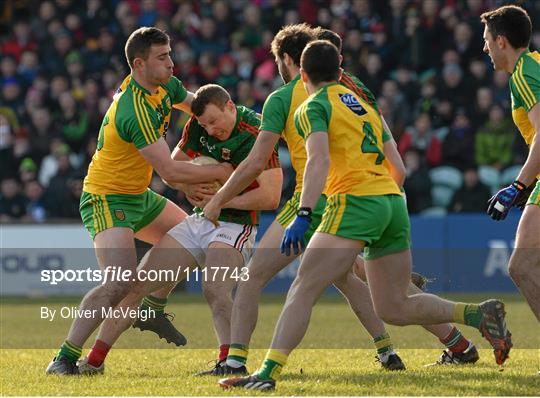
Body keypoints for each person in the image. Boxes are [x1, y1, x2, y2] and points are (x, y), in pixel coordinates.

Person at [218, 40, 511, 391]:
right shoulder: (362, 104)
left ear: (304, 74)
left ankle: (266, 375)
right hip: (391, 201)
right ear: (340, 69)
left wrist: (304, 213)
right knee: (394, 305)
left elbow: (318, 161)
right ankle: (477, 314)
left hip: (354, 202)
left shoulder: (311, 106)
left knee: (304, 286)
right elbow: (397, 164)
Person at [46, 27, 232, 375]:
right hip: (105, 197)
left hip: (138, 195)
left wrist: (233, 123)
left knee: (196, 240)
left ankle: (154, 307)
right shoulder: (133, 109)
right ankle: (65, 358)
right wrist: (222, 172)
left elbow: (199, 107)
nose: (172, 64)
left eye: (170, 54)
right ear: (139, 64)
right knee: (119, 282)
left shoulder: (163, 86)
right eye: (163, 58)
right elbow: (168, 172)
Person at [75, 84, 282, 375]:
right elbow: (173, 170)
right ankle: (94, 362)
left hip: (237, 223)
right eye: (203, 124)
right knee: (134, 287)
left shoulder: (257, 130)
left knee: (214, 287)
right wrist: (189, 185)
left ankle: (230, 364)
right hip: (200, 220)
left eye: (214, 121)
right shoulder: (198, 126)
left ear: (230, 107)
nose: (209, 130)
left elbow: (271, 196)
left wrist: (220, 201)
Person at [481, 5, 540, 321]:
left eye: (487, 40)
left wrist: (518, 184)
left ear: (501, 41)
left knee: (522, 266)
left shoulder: (524, 74)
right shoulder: (533, 65)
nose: (485, 48)